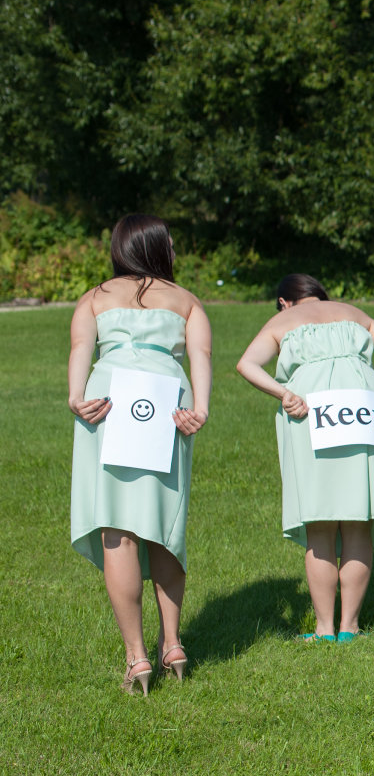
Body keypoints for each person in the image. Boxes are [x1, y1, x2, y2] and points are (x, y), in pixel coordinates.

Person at [68, 215, 211, 694]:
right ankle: (173, 643)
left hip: (107, 401)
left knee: (118, 528)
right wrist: (200, 408)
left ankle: (136, 656)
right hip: (165, 401)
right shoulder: (186, 300)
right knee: (163, 524)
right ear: (156, 246)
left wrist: (75, 395)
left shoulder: (95, 297)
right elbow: (201, 357)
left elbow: (80, 347)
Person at [236, 275, 374, 641]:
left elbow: (247, 365)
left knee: (319, 524)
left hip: (312, 407)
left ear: (285, 301)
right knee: (358, 520)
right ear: (320, 294)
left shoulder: (281, 320)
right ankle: (349, 627)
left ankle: (323, 628)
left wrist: (283, 392)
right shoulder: (351, 311)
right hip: (363, 406)